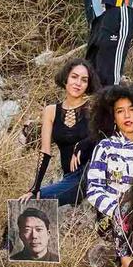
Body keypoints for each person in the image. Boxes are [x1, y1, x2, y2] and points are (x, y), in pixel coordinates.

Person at [83, 82, 133, 224]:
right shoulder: (105, 147)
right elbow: (94, 189)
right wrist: (118, 212)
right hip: (112, 220)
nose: (127, 115)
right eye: (120, 111)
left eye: (132, 110)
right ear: (113, 118)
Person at [30, 57, 100, 204]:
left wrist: (83, 144)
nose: (78, 83)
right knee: (32, 198)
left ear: (88, 85)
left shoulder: (93, 108)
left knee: (37, 200)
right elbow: (45, 152)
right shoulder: (50, 111)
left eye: (84, 80)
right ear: (65, 78)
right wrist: (35, 187)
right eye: (74, 77)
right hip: (69, 178)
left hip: (90, 173)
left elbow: (105, 135)